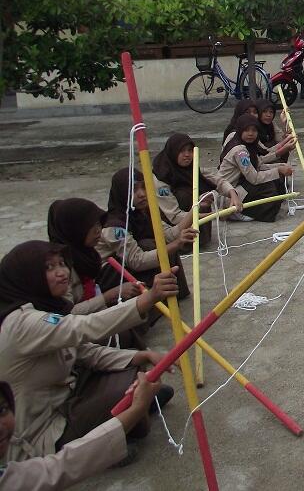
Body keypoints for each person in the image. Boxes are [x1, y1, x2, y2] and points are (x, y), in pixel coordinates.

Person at [0, 241, 176, 464]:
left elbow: (85, 352)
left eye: (62, 264)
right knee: (123, 386)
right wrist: (148, 298)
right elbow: (84, 326)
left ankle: (133, 412)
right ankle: (111, 439)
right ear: (26, 276)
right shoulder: (22, 323)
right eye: (49, 268)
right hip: (44, 429)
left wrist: (141, 356)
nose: (62, 272)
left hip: (66, 395)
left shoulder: (47, 306)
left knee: (132, 368)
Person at [0, 374, 159, 489]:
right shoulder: (21, 329)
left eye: (2, 410)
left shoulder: (8, 475)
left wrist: (140, 354)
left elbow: (86, 347)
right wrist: (137, 408)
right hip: (46, 435)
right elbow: (64, 466)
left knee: (124, 371)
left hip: (65, 402)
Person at [98, 169, 193, 297]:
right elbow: (137, 261)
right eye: (133, 190)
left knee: (162, 244)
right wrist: (176, 244)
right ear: (121, 193)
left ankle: (176, 294)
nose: (142, 194)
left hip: (133, 267)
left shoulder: (144, 212)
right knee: (150, 245)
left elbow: (169, 235)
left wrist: (195, 210)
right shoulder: (114, 226)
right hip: (113, 276)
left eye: (144, 187)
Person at [46, 199, 139, 316]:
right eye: (91, 226)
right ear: (74, 229)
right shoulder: (61, 266)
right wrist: (110, 295)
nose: (98, 230)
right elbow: (66, 313)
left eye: (99, 224)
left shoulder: (87, 254)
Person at [151, 132, 242, 245]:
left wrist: (233, 194)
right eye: (182, 151)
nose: (187, 155)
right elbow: (174, 216)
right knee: (185, 195)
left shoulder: (192, 169)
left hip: (195, 217)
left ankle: (200, 236)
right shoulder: (161, 179)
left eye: (190, 150)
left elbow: (218, 180)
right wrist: (214, 214)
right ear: (173, 152)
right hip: (174, 228)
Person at [219, 115, 294, 221]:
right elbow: (254, 178)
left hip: (240, 186)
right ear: (240, 131)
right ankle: (237, 212)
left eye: (254, 130)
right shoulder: (240, 151)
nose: (250, 134)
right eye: (246, 130)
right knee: (268, 187)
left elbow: (259, 164)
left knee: (273, 180)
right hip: (229, 194)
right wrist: (278, 170)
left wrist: (280, 166)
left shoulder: (249, 146)